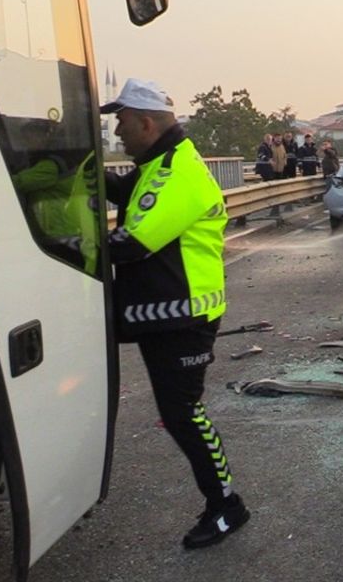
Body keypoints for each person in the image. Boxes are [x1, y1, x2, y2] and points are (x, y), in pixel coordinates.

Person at [101, 79, 249, 549]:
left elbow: (130, 244)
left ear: (146, 122)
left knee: (185, 413)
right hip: (159, 315)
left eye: (121, 121)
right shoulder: (157, 164)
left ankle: (227, 506)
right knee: (178, 411)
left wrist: (49, 248)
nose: (116, 131)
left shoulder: (179, 171)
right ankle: (224, 501)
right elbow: (124, 190)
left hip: (184, 317)